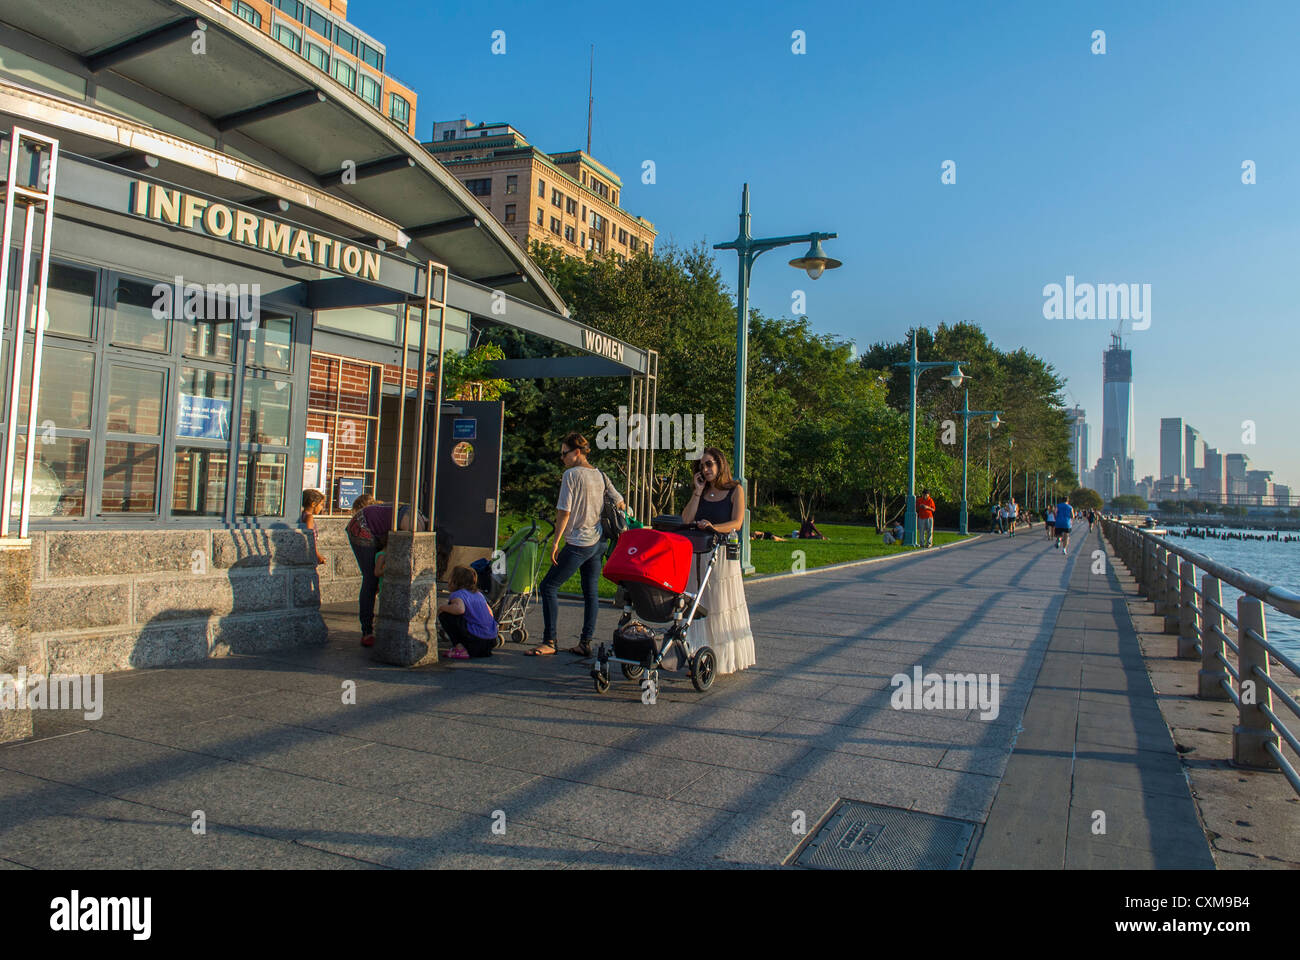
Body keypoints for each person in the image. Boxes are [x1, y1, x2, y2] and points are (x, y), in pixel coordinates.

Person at [531, 432, 625, 657]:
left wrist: (555, 542)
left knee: (548, 587)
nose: (562, 458)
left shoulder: (571, 475)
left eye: (564, 453)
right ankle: (585, 642)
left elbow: (564, 511)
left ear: (576, 452)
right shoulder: (601, 475)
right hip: (598, 540)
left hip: (578, 542)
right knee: (590, 592)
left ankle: (549, 641)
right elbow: (620, 502)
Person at [681, 446, 755, 676]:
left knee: (720, 602)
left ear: (720, 464)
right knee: (698, 602)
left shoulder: (735, 490)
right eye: (702, 465)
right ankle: (696, 654)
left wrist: (714, 527)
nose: (705, 468)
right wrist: (697, 490)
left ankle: (721, 657)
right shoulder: (701, 491)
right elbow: (686, 519)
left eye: (709, 464)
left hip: (722, 554)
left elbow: (737, 523)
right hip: (698, 553)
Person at [346, 500, 425, 647]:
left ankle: (376, 624)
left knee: (377, 580)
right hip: (362, 527)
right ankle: (367, 631)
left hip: (374, 527)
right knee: (371, 580)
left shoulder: (417, 519)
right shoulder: (413, 523)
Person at [437, 565, 498, 660]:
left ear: (455, 581)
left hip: (476, 642)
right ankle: (466, 646)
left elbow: (460, 609)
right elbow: (490, 612)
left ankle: (460, 648)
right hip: (490, 641)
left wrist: (442, 608)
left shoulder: (457, 594)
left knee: (445, 615)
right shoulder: (478, 594)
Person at [299, 489, 327, 566]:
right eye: (321, 504)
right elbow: (309, 537)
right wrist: (317, 555)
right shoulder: (309, 517)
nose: (322, 508)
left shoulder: (302, 515)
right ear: (313, 504)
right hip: (308, 554)